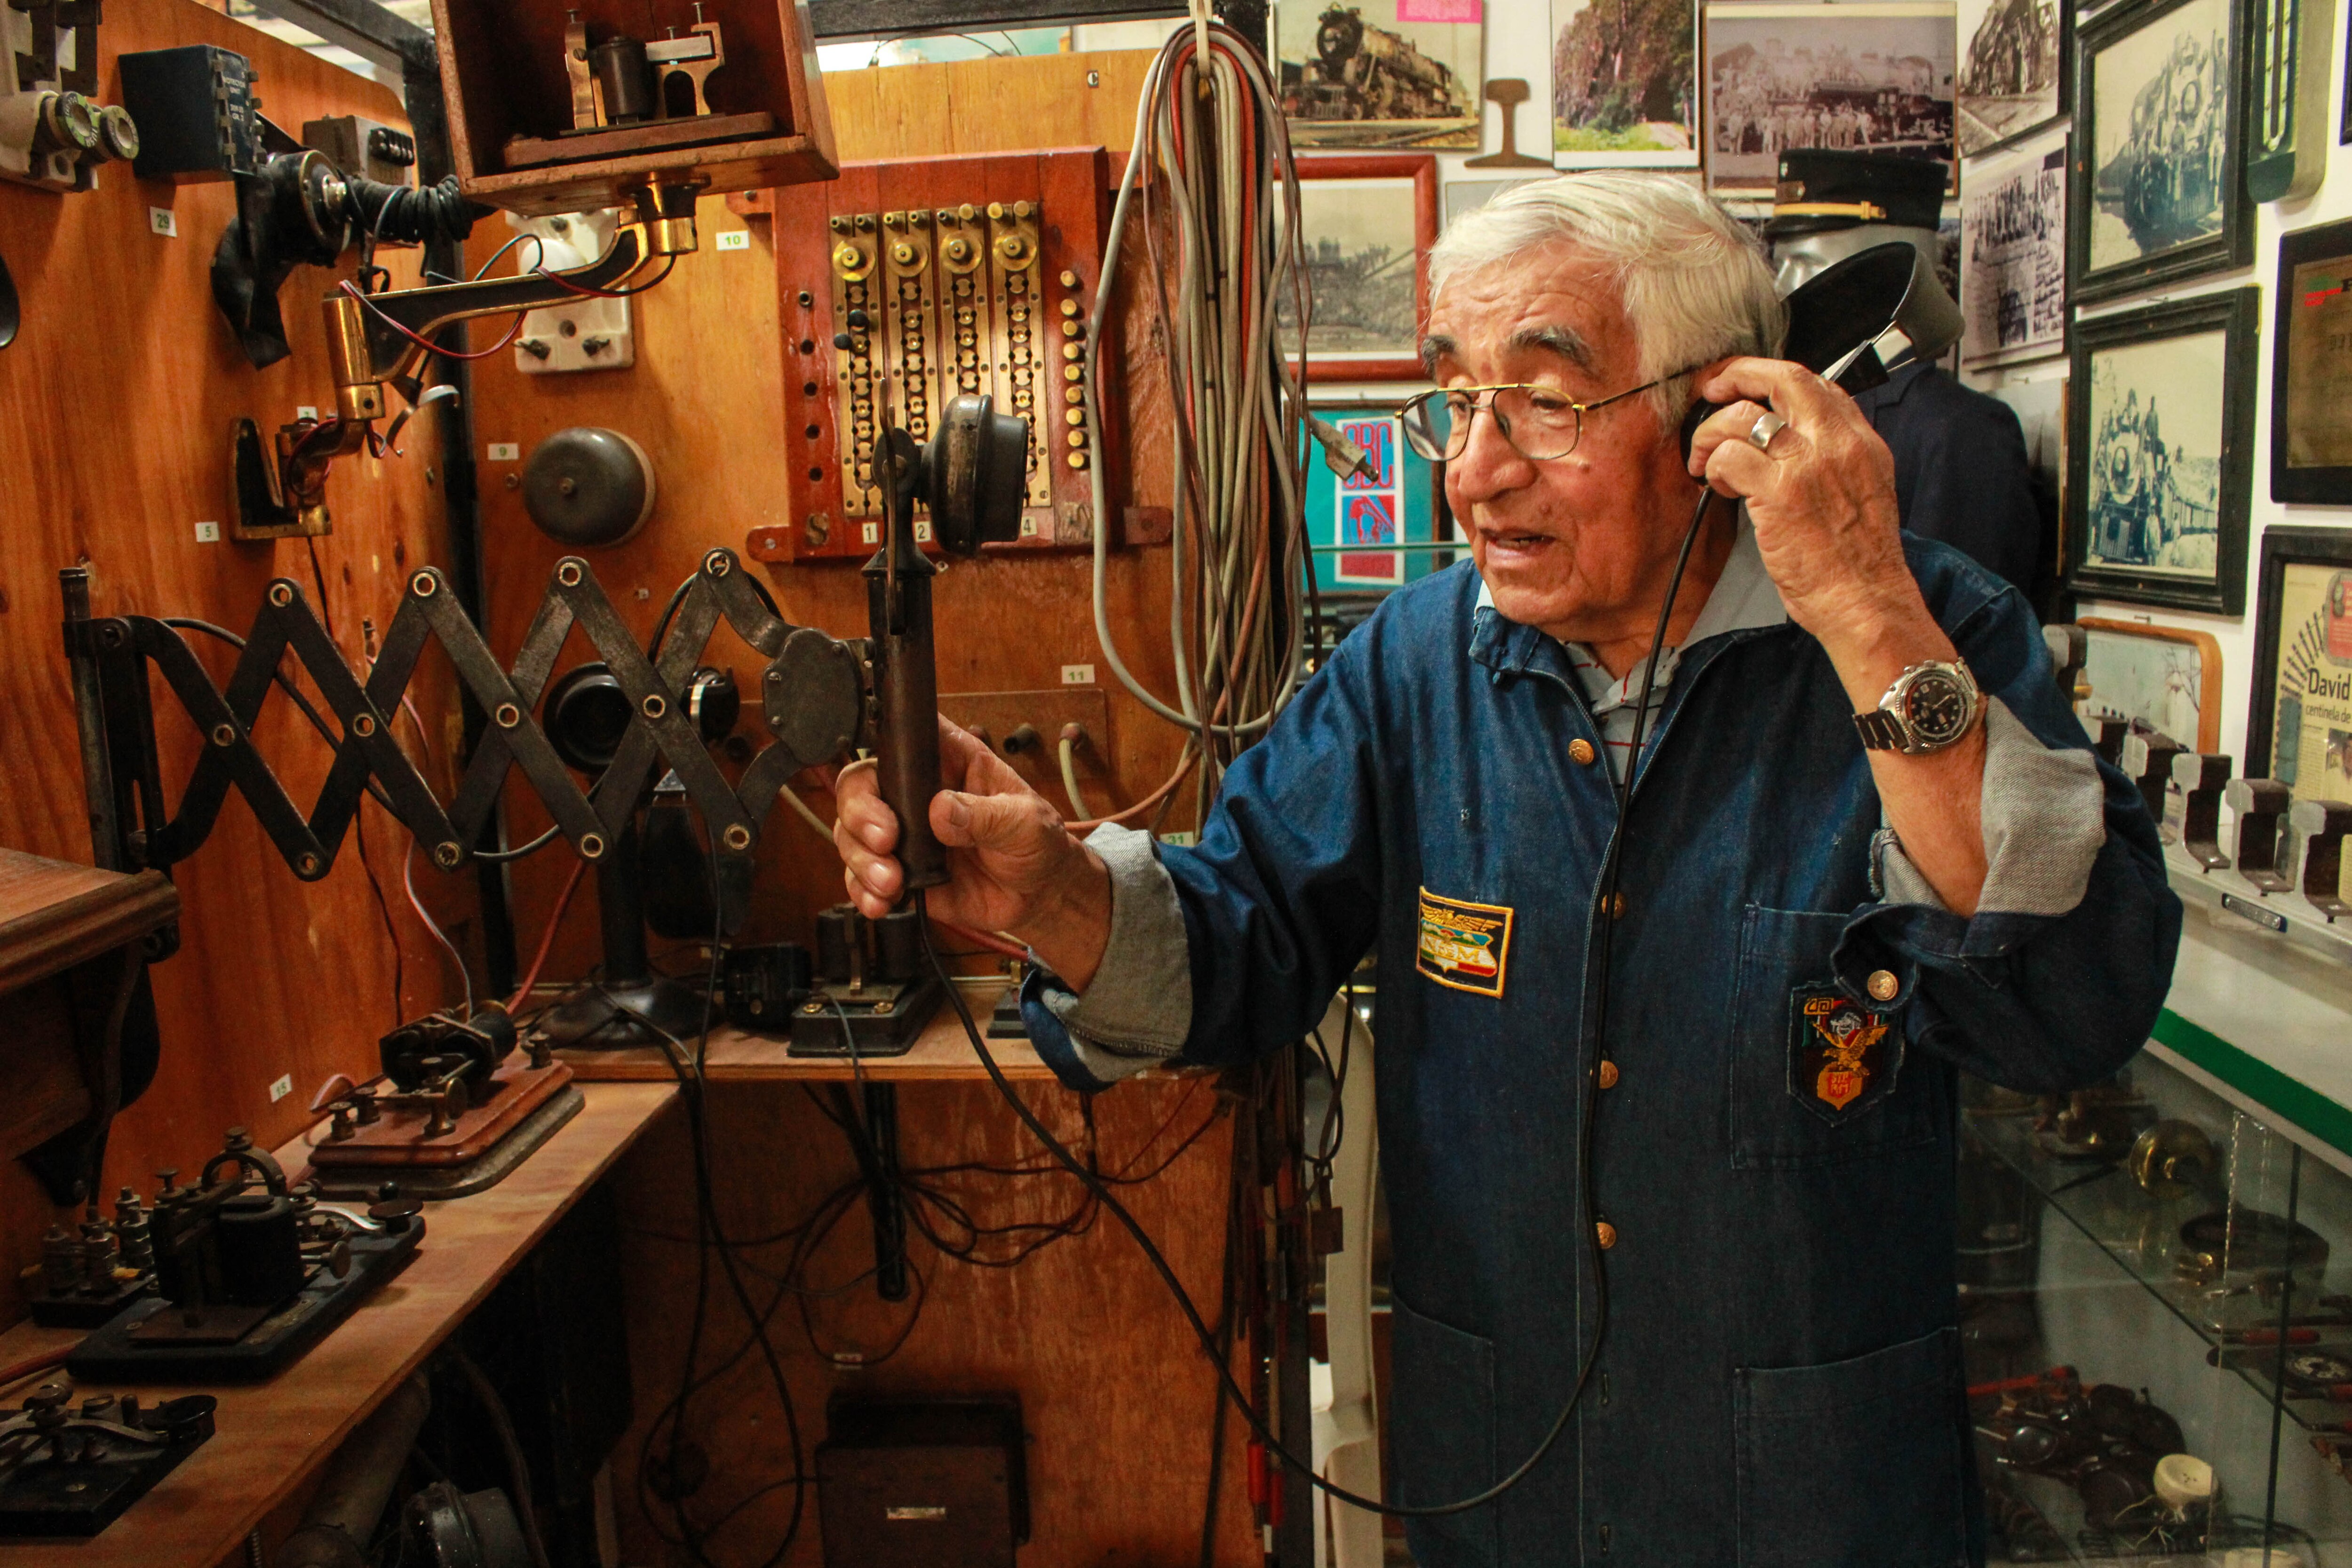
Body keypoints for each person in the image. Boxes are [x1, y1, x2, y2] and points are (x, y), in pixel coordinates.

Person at [832, 174, 2180, 1566]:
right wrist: (1052, 894)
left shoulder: (1926, 624)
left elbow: (2073, 1002)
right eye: (1454, 400)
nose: (1471, 469)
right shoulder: (1407, 669)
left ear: (1718, 417)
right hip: (1499, 1474)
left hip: (1811, 1490)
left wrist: (1860, 608)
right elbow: (1241, 941)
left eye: (1543, 400)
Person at [1766, 149, 2049, 595]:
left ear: (1885, 274)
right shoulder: (1802, 411)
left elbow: (1964, 626)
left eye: (1806, 263)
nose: (1783, 285)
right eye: (1780, 263)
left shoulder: (1958, 431)